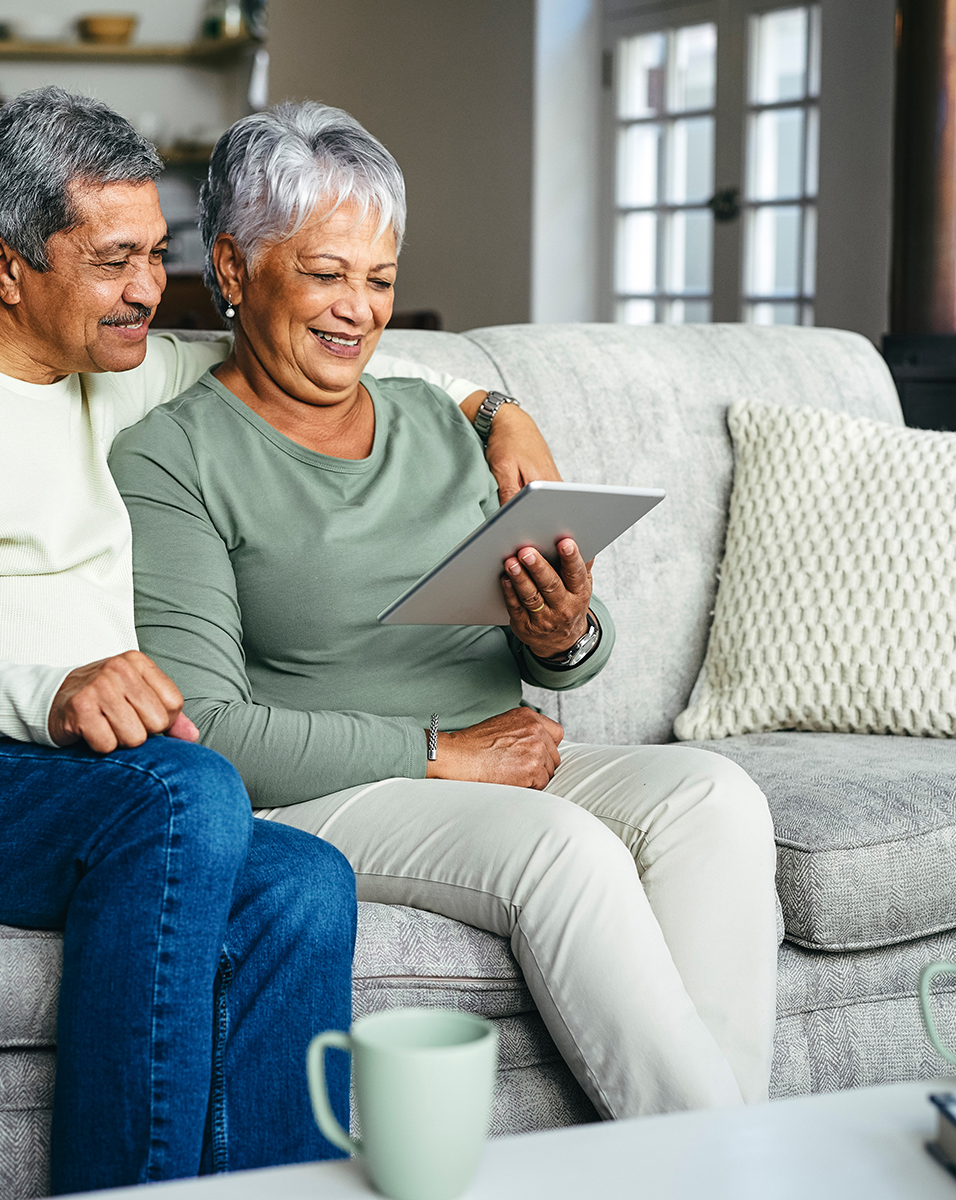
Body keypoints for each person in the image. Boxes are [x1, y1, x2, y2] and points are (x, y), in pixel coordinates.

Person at [0, 89, 562, 1194]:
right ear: (3, 264)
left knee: (305, 883)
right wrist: (42, 693)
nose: (148, 289)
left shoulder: (117, 363)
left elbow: (345, 362)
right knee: (185, 789)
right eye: (114, 259)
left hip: (58, 781)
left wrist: (491, 410)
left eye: (157, 254)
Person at [109, 101, 780, 1122]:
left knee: (713, 797)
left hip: (500, 754)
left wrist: (560, 637)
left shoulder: (440, 413)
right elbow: (212, 734)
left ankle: (716, 1150)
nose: (358, 311)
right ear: (236, 272)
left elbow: (557, 656)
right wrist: (444, 754)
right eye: (325, 273)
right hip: (330, 790)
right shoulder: (175, 458)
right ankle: (734, 1173)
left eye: (378, 281)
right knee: (562, 848)